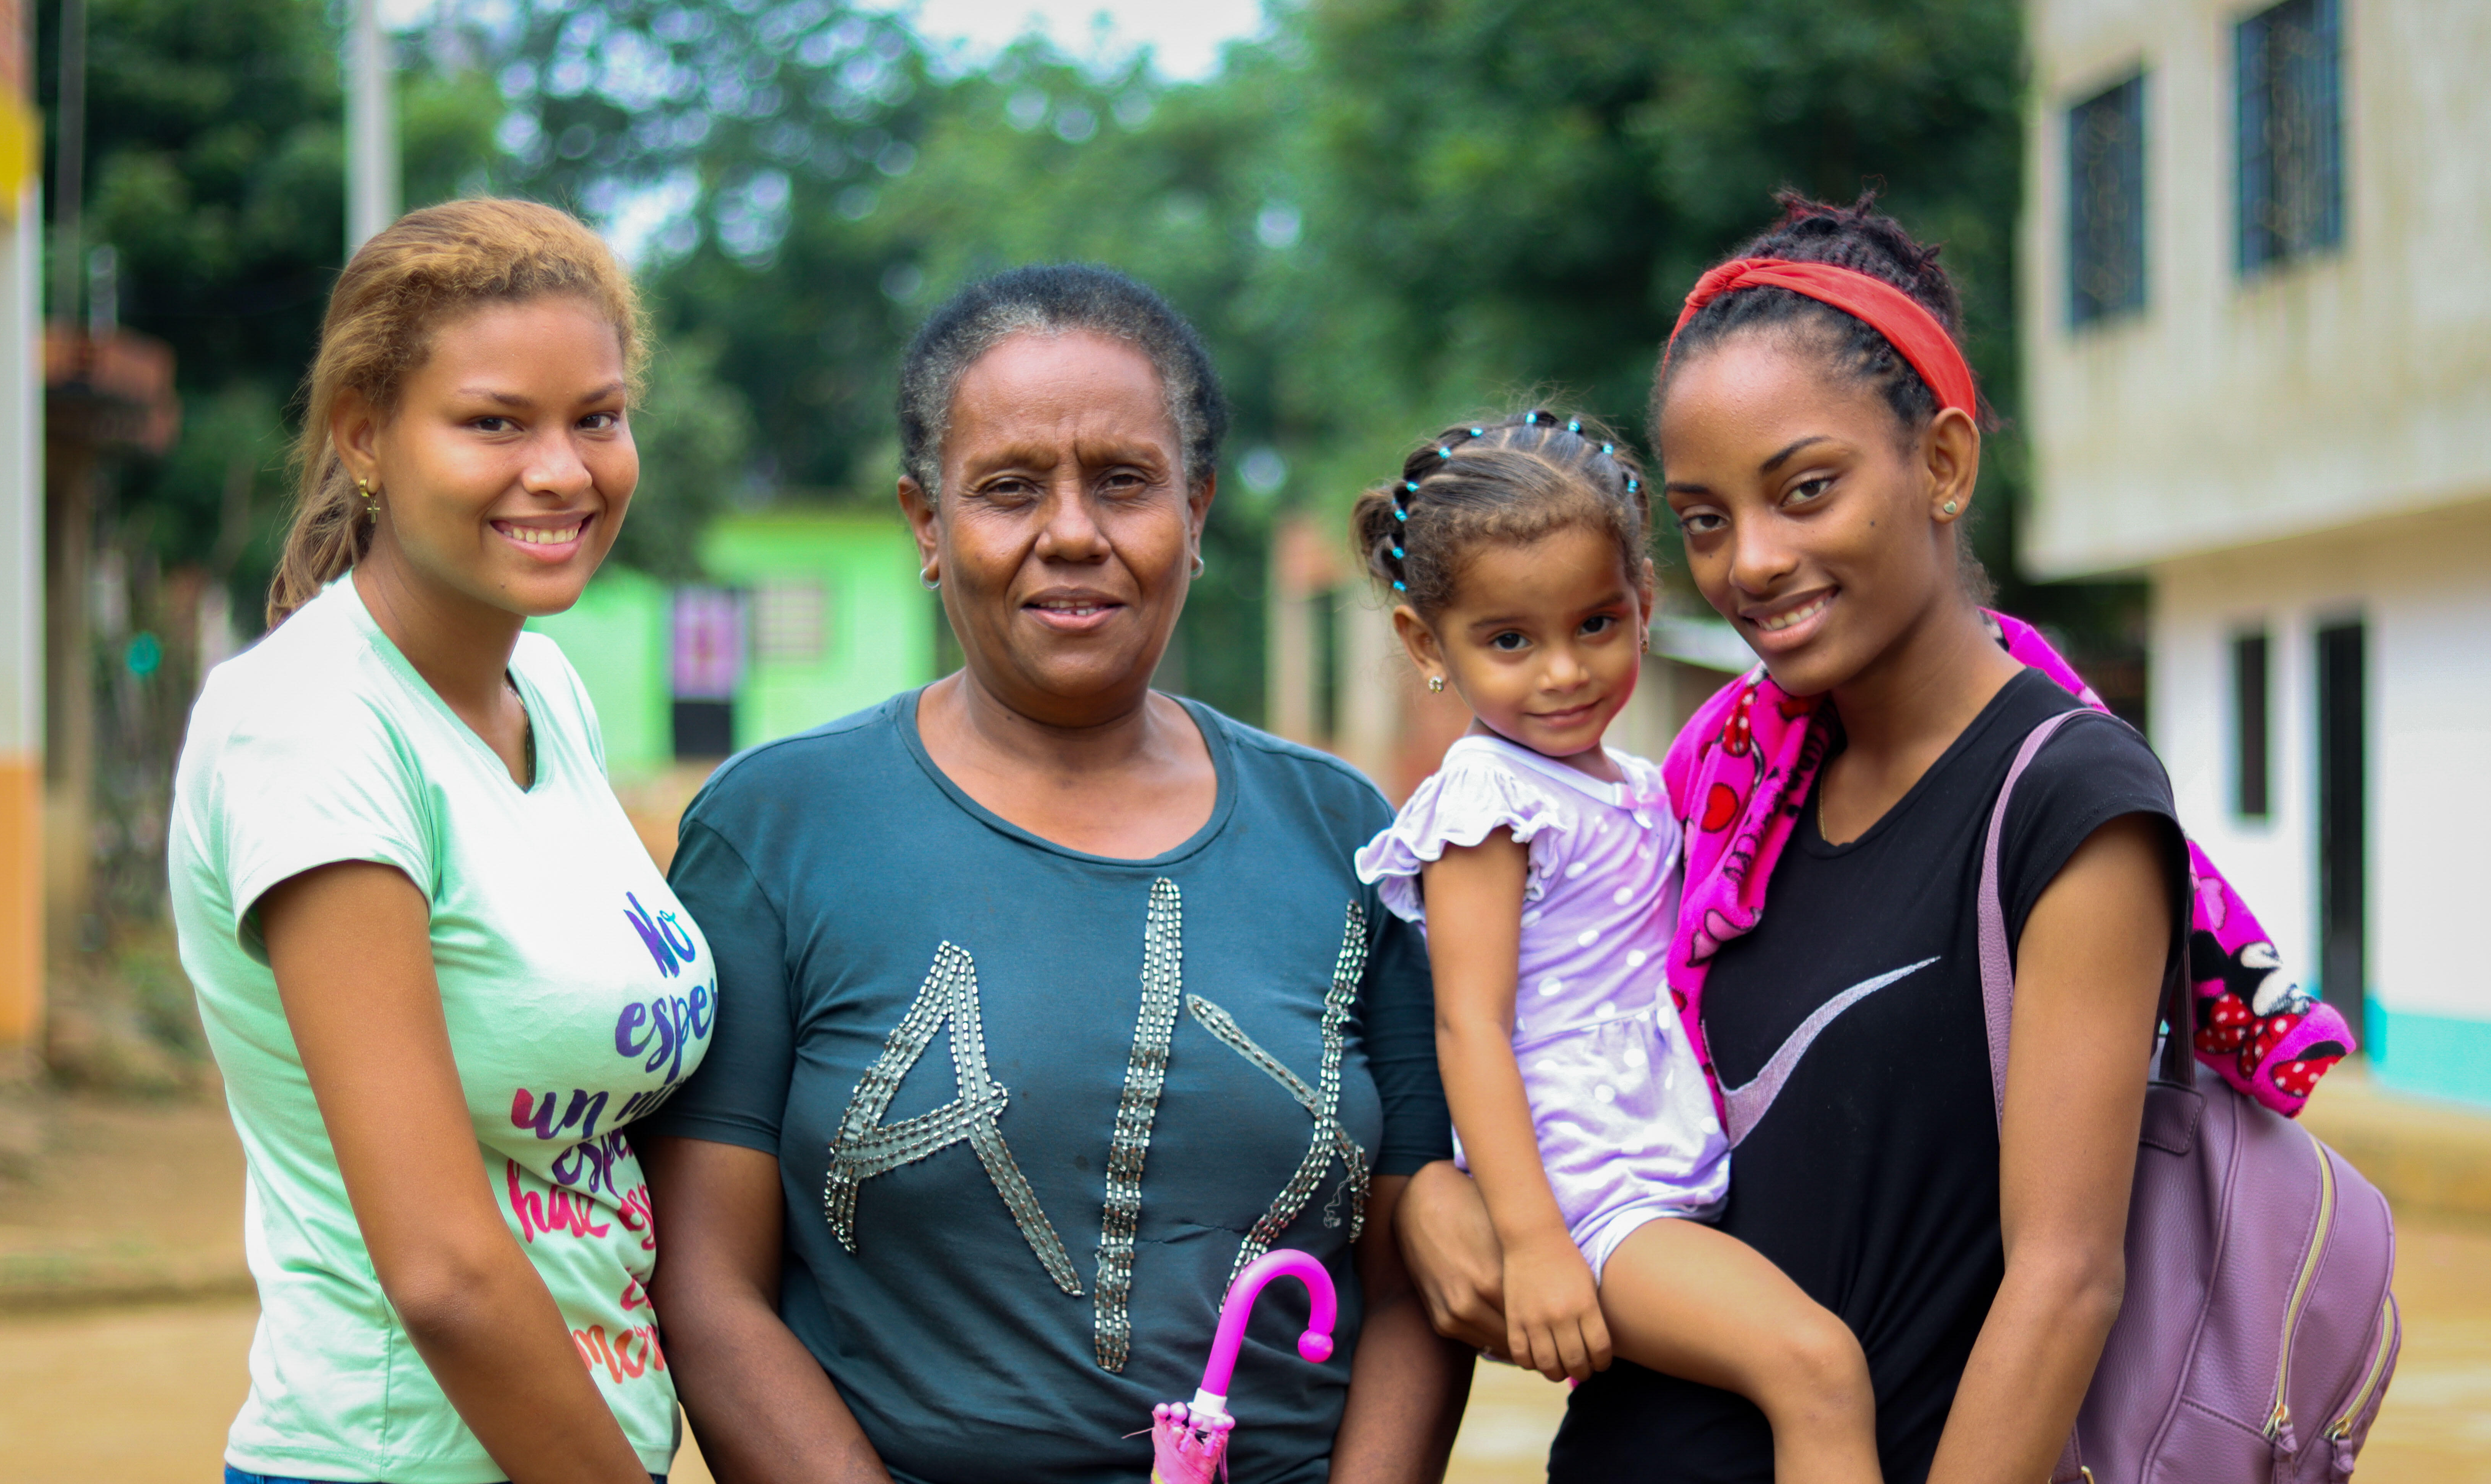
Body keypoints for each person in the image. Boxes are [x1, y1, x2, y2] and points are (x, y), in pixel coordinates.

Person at [1394, 194, 2192, 1484]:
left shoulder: (2066, 800)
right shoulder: (1720, 780)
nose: (1753, 562)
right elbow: (1508, 1012)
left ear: (1943, 464)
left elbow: (2065, 1280)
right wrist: (1432, 1195)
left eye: (1806, 489)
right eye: (1707, 518)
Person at [636, 264, 1470, 1484]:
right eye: (1010, 487)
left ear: (1197, 509)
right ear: (928, 524)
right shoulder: (777, 829)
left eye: (1124, 481)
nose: (1073, 532)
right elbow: (707, 1287)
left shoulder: (1349, 837)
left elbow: (1411, 1282)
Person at [169, 199, 708, 1484]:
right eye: (495, 423)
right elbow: (445, 1272)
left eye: (598, 417)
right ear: (366, 435)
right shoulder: (314, 731)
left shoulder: (546, 692)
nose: (564, 470)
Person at [1346, 410, 1881, 1484]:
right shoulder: (1488, 801)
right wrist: (1535, 1243)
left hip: (1659, 1156)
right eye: (1510, 640)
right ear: (1427, 644)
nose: (1563, 671)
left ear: (1644, 600)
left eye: (1595, 623)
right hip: (1586, 1188)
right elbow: (1470, 1027)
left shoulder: (1641, 785)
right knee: (1818, 1368)